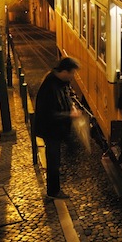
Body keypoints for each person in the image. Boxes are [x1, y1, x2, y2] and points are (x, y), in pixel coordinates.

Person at [35, 57, 82, 199]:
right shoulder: (50, 87)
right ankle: (53, 192)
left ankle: (56, 181)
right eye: (72, 73)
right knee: (53, 160)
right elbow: (49, 115)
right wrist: (70, 115)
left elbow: (67, 93)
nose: (73, 76)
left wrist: (72, 104)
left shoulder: (61, 81)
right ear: (65, 71)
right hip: (50, 130)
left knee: (58, 157)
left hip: (58, 128)